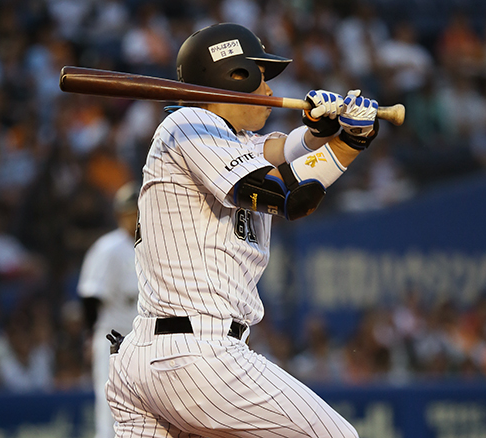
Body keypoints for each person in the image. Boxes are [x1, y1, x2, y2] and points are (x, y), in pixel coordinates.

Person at [106, 23, 380, 438]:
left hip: (152, 356)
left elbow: (284, 151)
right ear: (233, 77)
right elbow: (287, 194)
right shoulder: (190, 123)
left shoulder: (232, 140)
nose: (269, 91)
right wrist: (348, 145)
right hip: (199, 355)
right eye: (261, 77)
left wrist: (326, 133)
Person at [77, 182, 140, 438]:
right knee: (109, 409)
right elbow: (90, 297)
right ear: (119, 215)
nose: (134, 218)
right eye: (129, 212)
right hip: (113, 339)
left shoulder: (153, 247)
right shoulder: (108, 248)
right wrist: (89, 336)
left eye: (137, 211)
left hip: (145, 340)